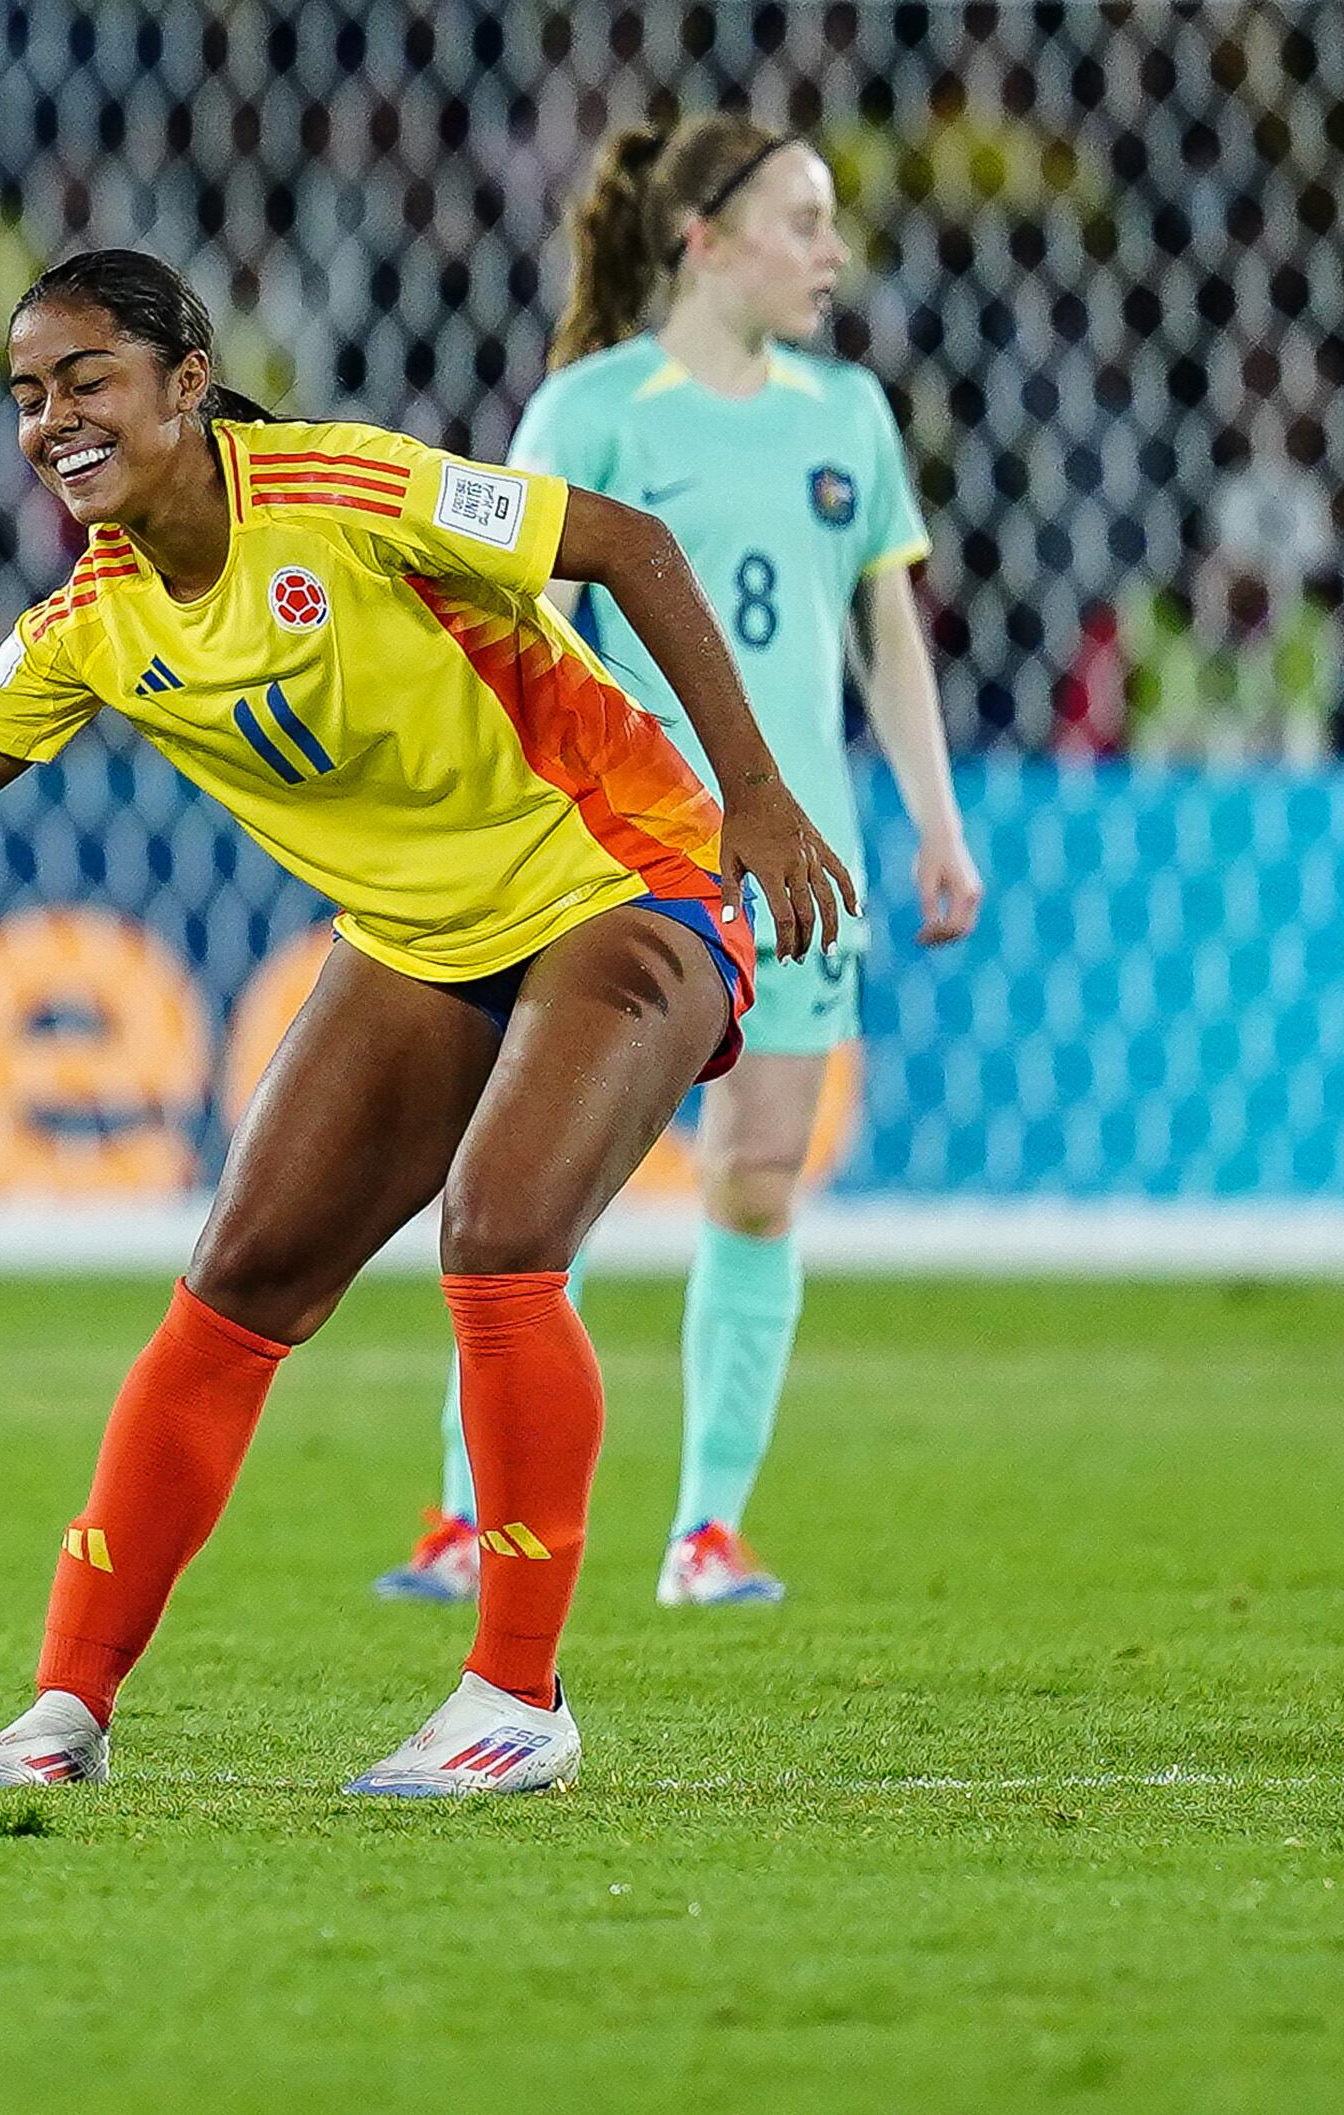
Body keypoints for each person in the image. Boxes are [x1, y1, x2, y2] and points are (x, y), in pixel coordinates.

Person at [0, 250, 851, 1797]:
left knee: (499, 1233)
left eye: (87, 381)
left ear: (187, 383)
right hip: (418, 933)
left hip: (626, 873)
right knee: (239, 1279)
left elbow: (626, 540)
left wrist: (759, 793)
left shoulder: (350, 487)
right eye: (26, 397)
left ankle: (517, 1701)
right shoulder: (91, 624)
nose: (53, 420)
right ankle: (65, 1712)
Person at [373, 113, 981, 1617]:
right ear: (702, 239)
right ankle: (468, 1515)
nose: (831, 252)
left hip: (803, 862)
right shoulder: (593, 412)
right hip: (619, 862)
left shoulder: (849, 415)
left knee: (760, 1181)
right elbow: (505, 618)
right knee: (536, 1193)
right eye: (803, 219)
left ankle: (707, 1530)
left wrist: (938, 823)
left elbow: (885, 638)